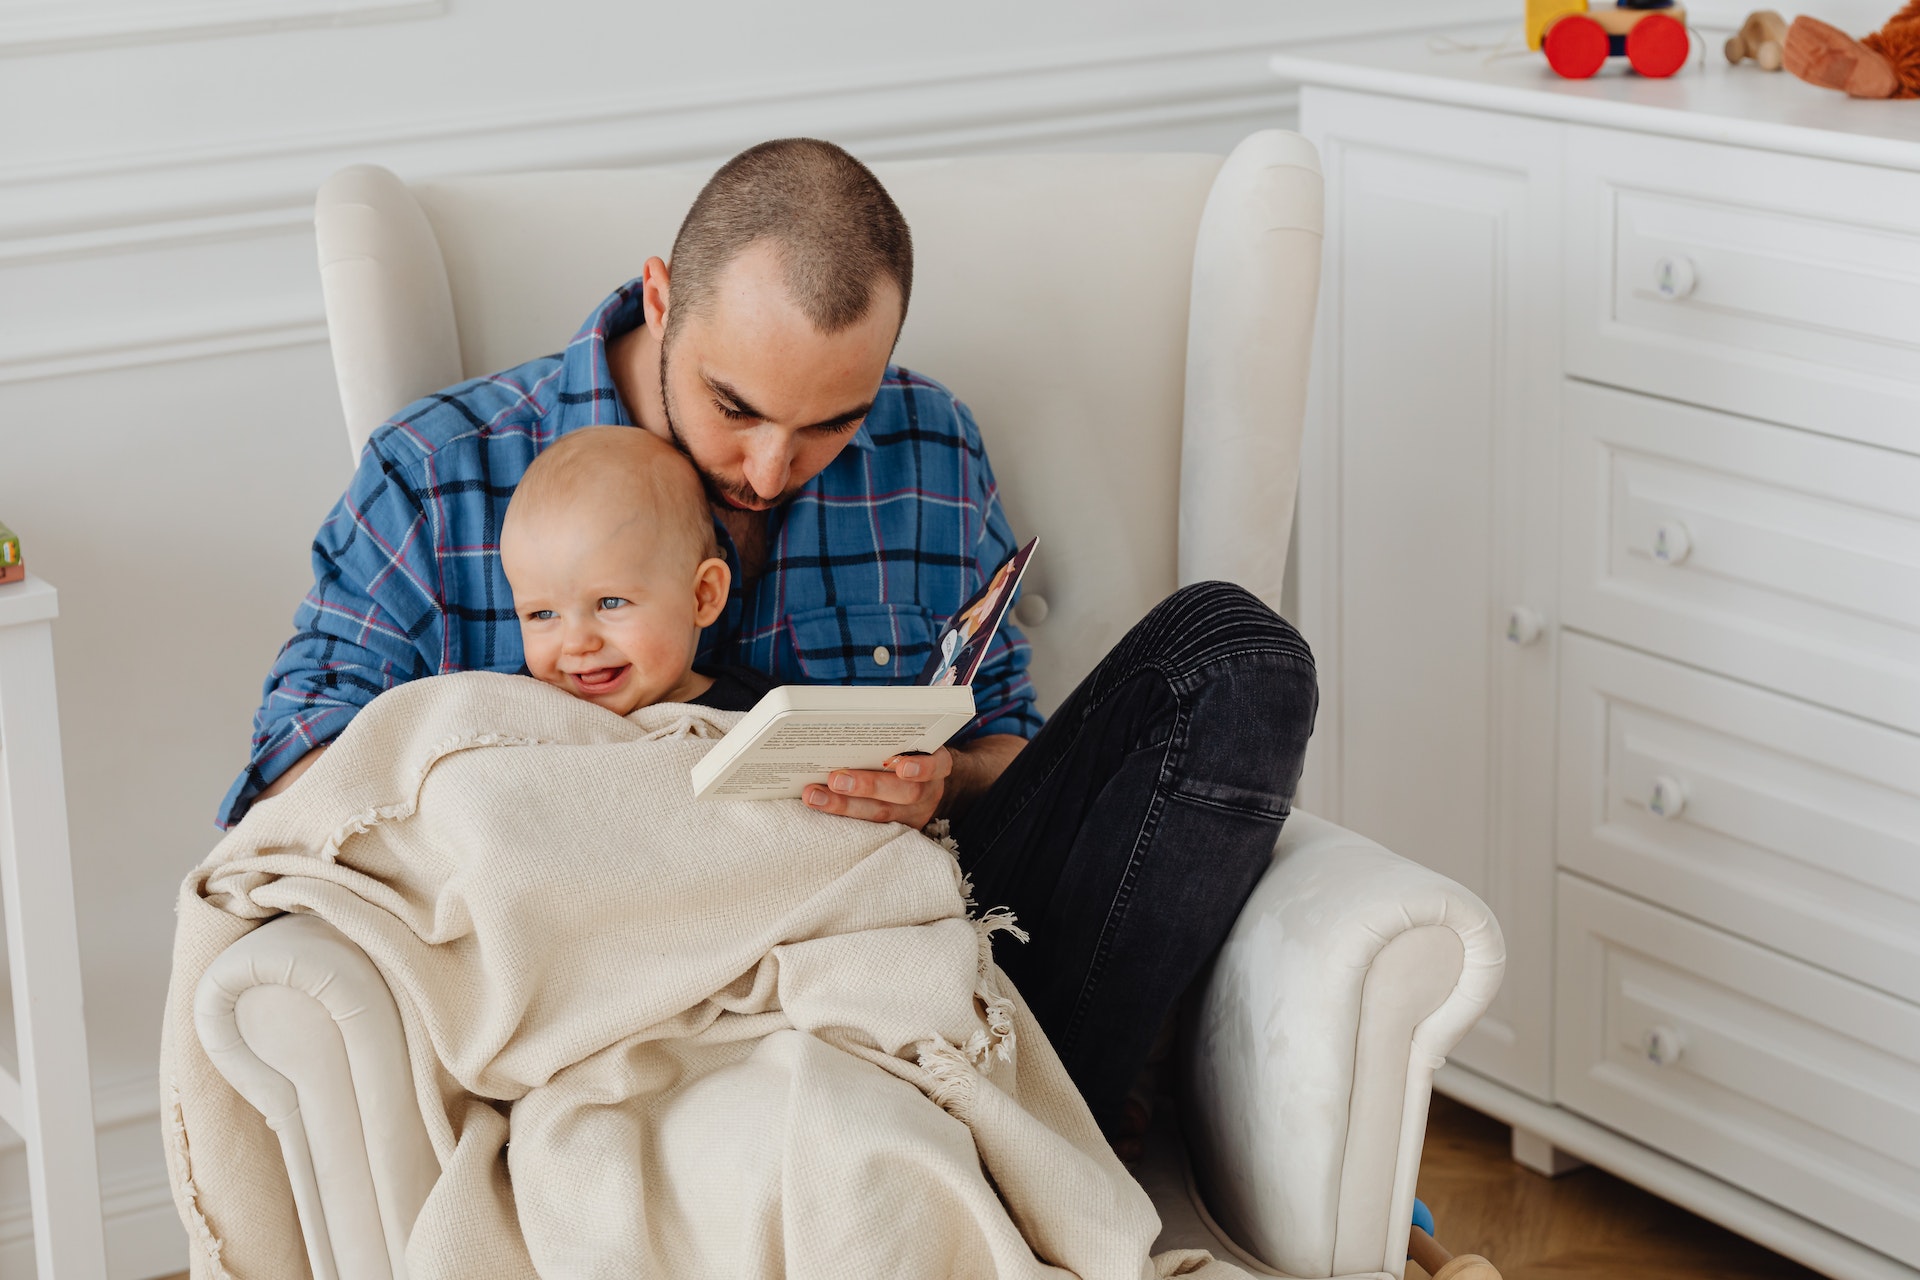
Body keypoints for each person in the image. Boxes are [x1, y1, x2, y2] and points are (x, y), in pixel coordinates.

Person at [226, 137, 1316, 1157]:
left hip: (909, 952)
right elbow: (293, 781)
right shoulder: (439, 473)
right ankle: (1024, 1152)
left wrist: (944, 780)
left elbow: (1012, 753)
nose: (768, 465)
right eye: (733, 405)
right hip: (624, 993)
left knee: (1237, 656)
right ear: (661, 298)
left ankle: (1016, 1125)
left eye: (831, 422)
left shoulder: (928, 445)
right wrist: (554, 782)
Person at [499, 424, 775, 716]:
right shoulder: (521, 709)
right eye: (543, 614)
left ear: (702, 595)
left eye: (610, 603)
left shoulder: (759, 712)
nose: (577, 643)